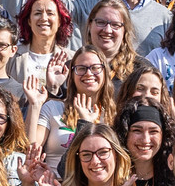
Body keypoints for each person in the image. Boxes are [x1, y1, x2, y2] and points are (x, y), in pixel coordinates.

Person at [27, 45, 117, 173]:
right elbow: (31, 150)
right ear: (72, 75)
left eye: (95, 68)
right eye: (81, 69)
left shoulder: (114, 114)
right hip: (56, 185)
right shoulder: (54, 108)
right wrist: (35, 106)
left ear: (105, 72)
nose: (88, 73)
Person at [8, 0, 73, 84]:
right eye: (37, 13)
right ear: (29, 20)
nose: (43, 18)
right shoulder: (11, 56)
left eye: (50, 13)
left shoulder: (71, 59)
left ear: (59, 21)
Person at [83, 0, 144, 86]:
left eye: (115, 25)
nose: (107, 30)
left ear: (125, 30)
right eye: (101, 22)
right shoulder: (75, 67)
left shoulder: (140, 70)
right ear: (90, 24)